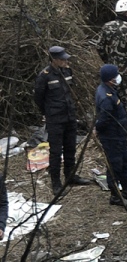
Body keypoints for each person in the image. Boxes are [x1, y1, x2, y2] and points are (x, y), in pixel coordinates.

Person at [34, 47, 90, 195]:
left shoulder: (67, 71)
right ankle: (56, 183)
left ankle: (71, 176)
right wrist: (47, 113)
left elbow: (71, 91)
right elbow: (38, 98)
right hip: (55, 119)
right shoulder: (44, 76)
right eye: (62, 59)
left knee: (70, 148)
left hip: (70, 116)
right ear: (54, 60)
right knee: (56, 152)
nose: (66, 61)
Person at [95, 65, 127, 207]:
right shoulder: (106, 97)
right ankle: (115, 196)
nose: (118, 78)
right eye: (115, 76)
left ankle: (126, 190)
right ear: (110, 79)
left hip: (119, 135)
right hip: (111, 137)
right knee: (115, 166)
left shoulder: (110, 90)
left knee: (124, 162)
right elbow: (103, 120)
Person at [98, 0, 127, 101]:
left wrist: (107, 61)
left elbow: (99, 47)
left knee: (115, 96)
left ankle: (119, 115)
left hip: (112, 70)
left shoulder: (107, 26)